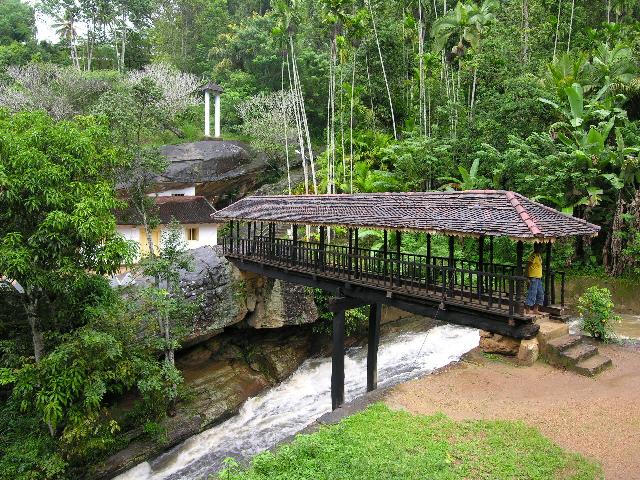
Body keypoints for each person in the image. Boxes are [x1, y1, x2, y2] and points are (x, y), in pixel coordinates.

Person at [525, 243, 544, 315]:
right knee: (532, 293)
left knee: (540, 294)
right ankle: (527, 310)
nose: (540, 248)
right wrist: (527, 278)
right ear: (535, 247)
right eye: (539, 247)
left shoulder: (538, 255)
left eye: (541, 247)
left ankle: (535, 309)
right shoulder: (533, 256)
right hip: (533, 278)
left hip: (538, 278)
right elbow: (527, 266)